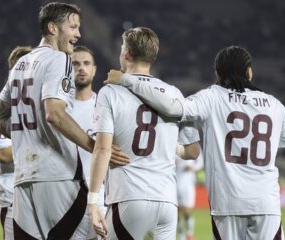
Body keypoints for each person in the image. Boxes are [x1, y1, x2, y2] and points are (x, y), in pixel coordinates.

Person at [104, 45, 285, 240]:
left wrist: (127, 80)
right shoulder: (274, 105)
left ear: (218, 73)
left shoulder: (210, 98)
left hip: (227, 204)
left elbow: (173, 107)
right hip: (265, 202)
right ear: (249, 72)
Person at [0, 2, 128, 239]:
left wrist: (29, 137)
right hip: (59, 177)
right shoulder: (59, 59)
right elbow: (54, 113)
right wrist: (94, 148)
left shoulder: (20, 65)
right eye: (73, 27)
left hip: (24, 180)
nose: (78, 34)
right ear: (53, 28)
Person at [87, 27, 200, 239]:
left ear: (127, 53)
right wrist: (169, 145)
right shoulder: (174, 94)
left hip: (131, 197)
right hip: (167, 202)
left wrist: (93, 202)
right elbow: (193, 151)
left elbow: (102, 150)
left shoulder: (111, 91)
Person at [0, 46, 31, 240]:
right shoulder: (5, 106)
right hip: (9, 193)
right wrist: (37, 150)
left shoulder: (33, 103)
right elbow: (4, 154)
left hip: (32, 190)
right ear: (12, 72)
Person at [69, 45, 107, 239]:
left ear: (94, 69)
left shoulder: (104, 105)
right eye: (75, 64)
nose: (81, 68)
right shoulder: (60, 109)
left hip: (101, 195)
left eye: (86, 63)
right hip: (67, 196)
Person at [176, 151, 203, 240]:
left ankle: (189, 233)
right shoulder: (174, 144)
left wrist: (193, 167)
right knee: (176, 212)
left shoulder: (193, 144)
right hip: (175, 183)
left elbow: (200, 162)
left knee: (187, 210)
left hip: (188, 184)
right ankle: (181, 235)